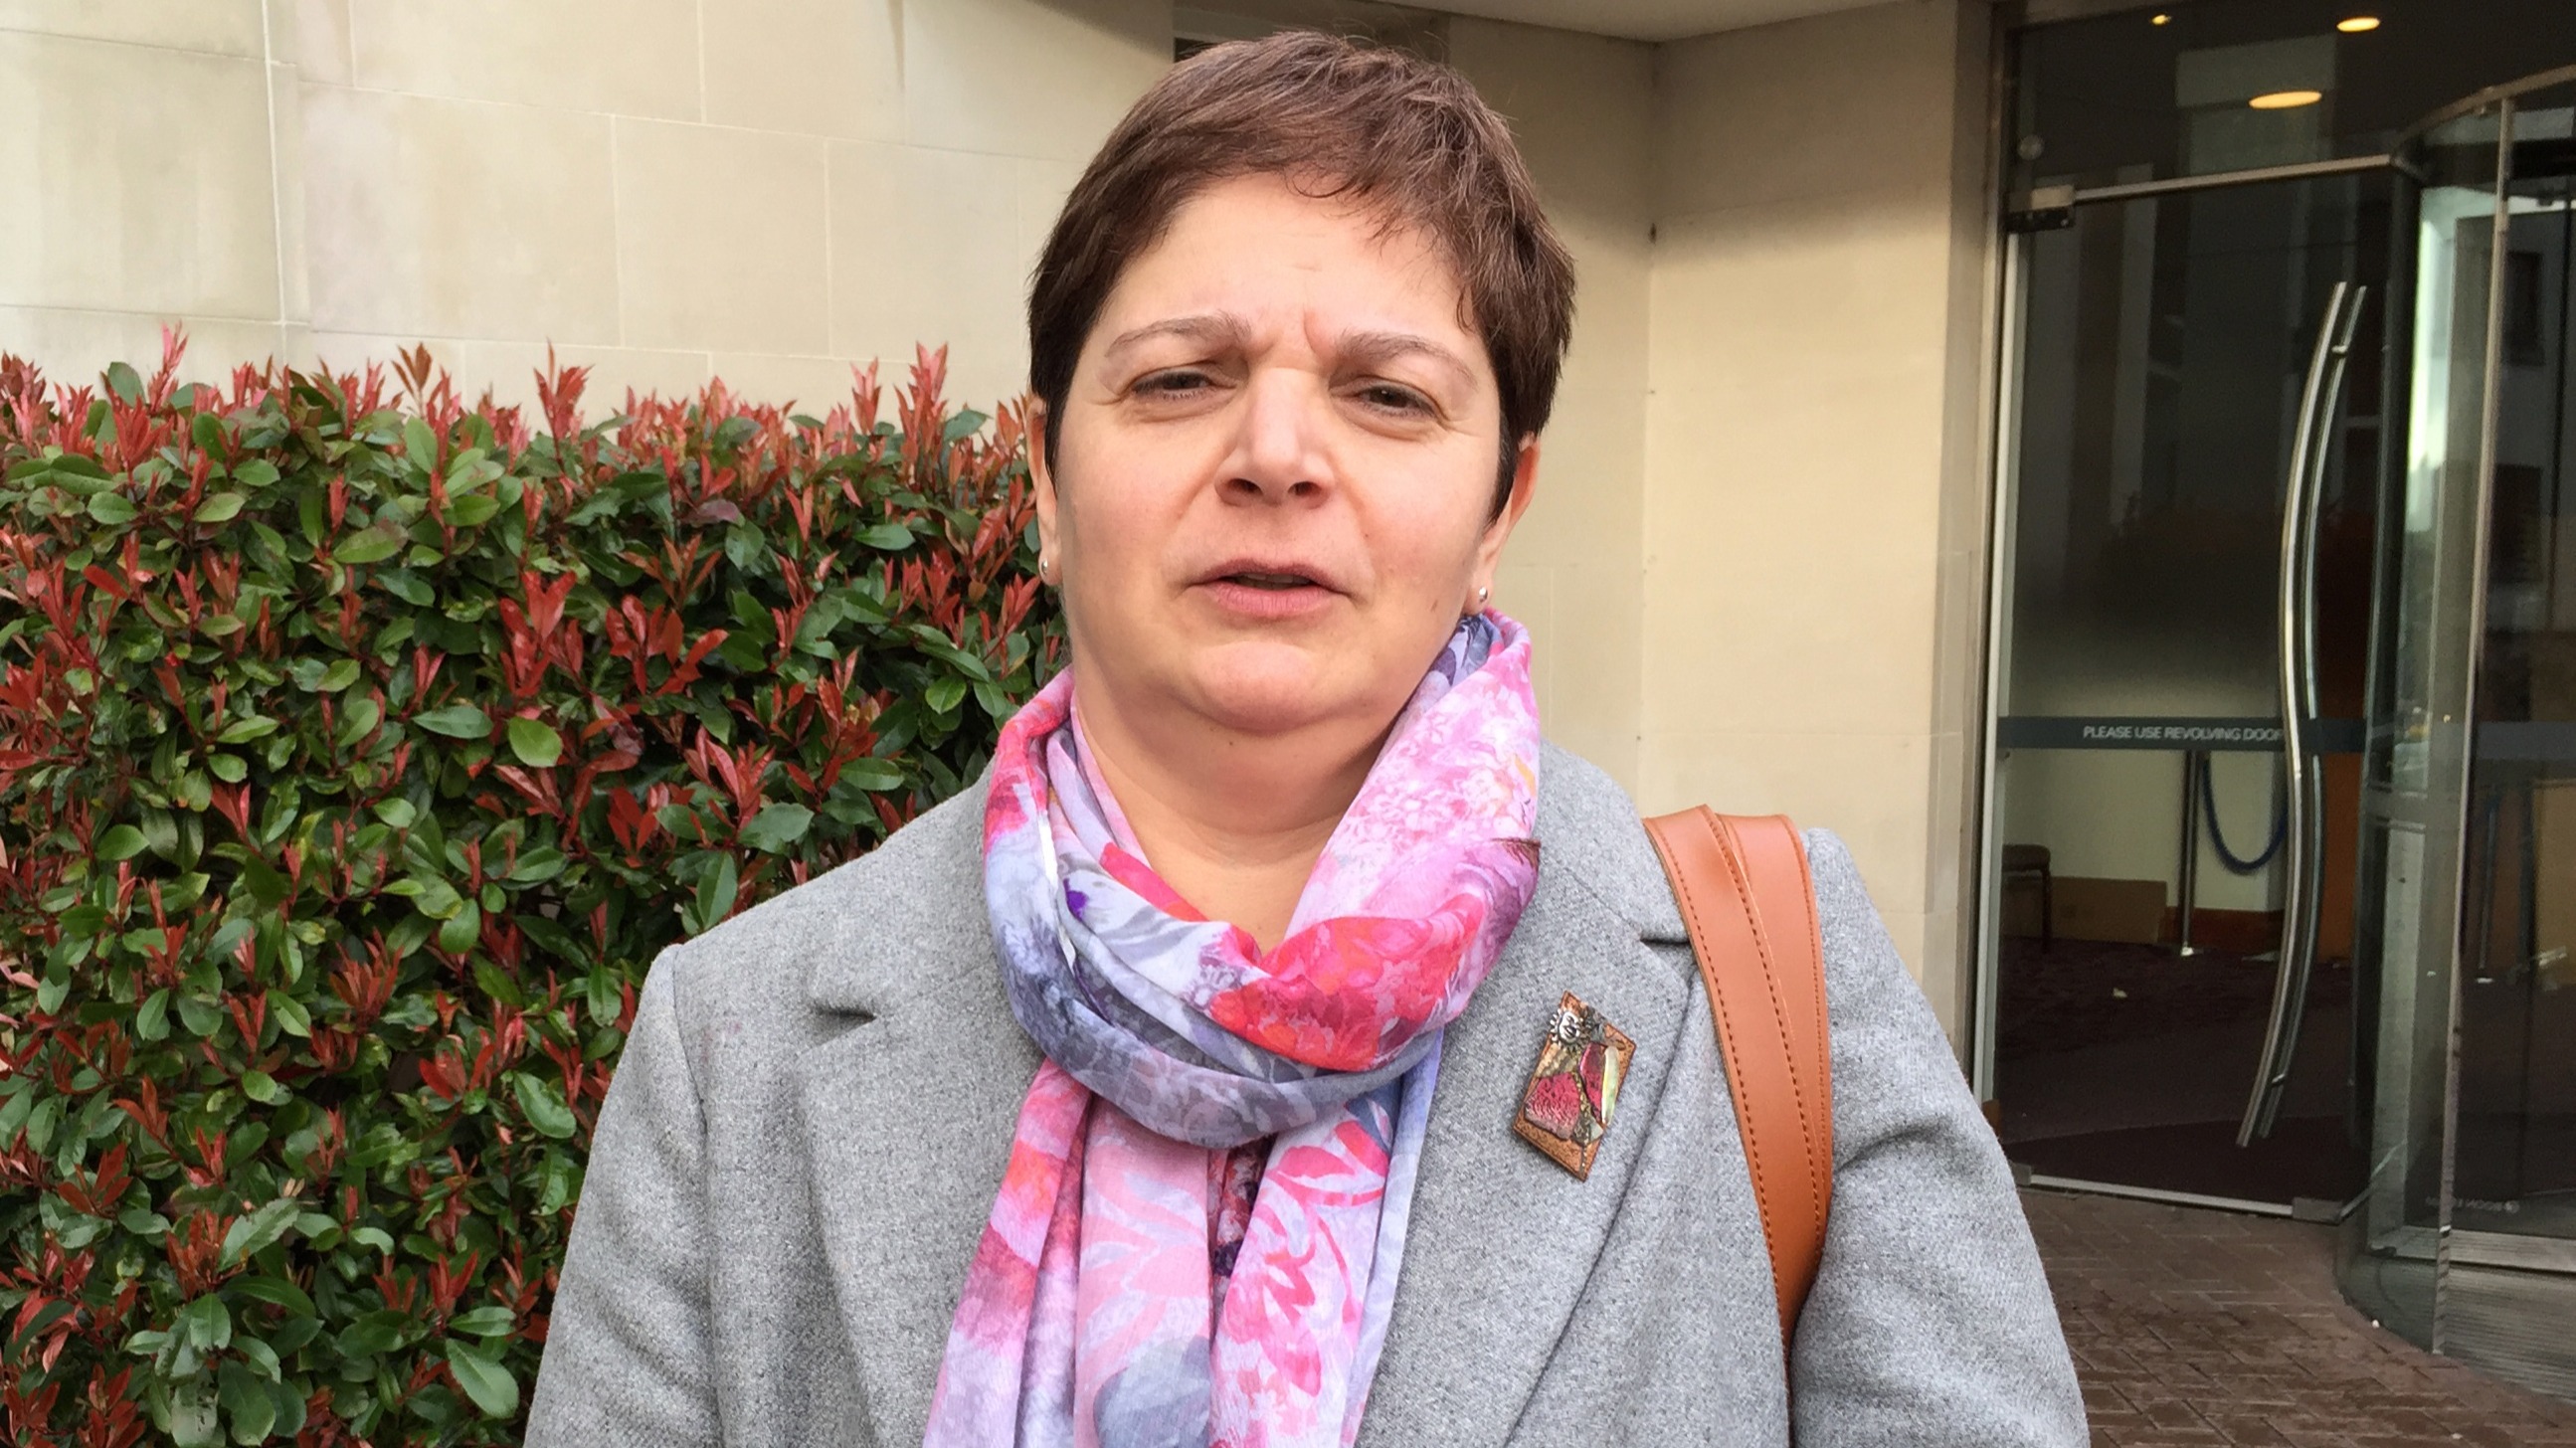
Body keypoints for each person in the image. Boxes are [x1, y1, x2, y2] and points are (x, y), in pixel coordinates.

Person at [527, 31, 2086, 1448]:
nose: (1275, 454)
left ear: (1500, 508)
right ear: (1047, 478)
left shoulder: (1770, 978)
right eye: (1179, 378)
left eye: (1387, 396)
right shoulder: (734, 1043)